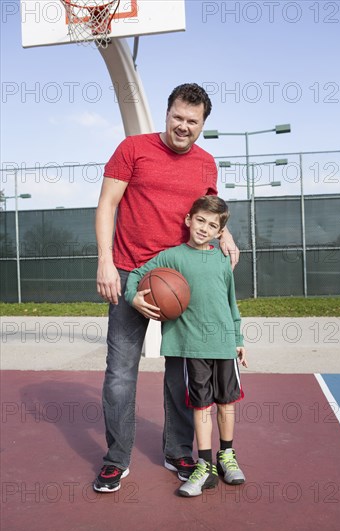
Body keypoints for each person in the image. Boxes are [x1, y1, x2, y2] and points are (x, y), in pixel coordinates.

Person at [94, 83, 240, 493]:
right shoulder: (133, 149)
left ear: (203, 125)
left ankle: (178, 449)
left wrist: (226, 239)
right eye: (178, 116)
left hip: (183, 282)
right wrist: (106, 261)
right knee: (121, 372)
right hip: (130, 272)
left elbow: (209, 212)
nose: (183, 126)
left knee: (181, 375)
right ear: (167, 113)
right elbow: (107, 203)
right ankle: (116, 458)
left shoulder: (206, 163)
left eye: (193, 121)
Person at [125, 195, 248, 497]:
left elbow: (230, 302)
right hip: (192, 348)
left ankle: (227, 456)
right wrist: (133, 296)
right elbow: (138, 274)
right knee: (201, 405)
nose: (205, 228)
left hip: (223, 345)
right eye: (201, 220)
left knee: (227, 403)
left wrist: (238, 338)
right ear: (188, 220)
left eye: (213, 225)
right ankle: (204, 465)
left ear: (221, 233)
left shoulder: (221, 258)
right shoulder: (173, 257)